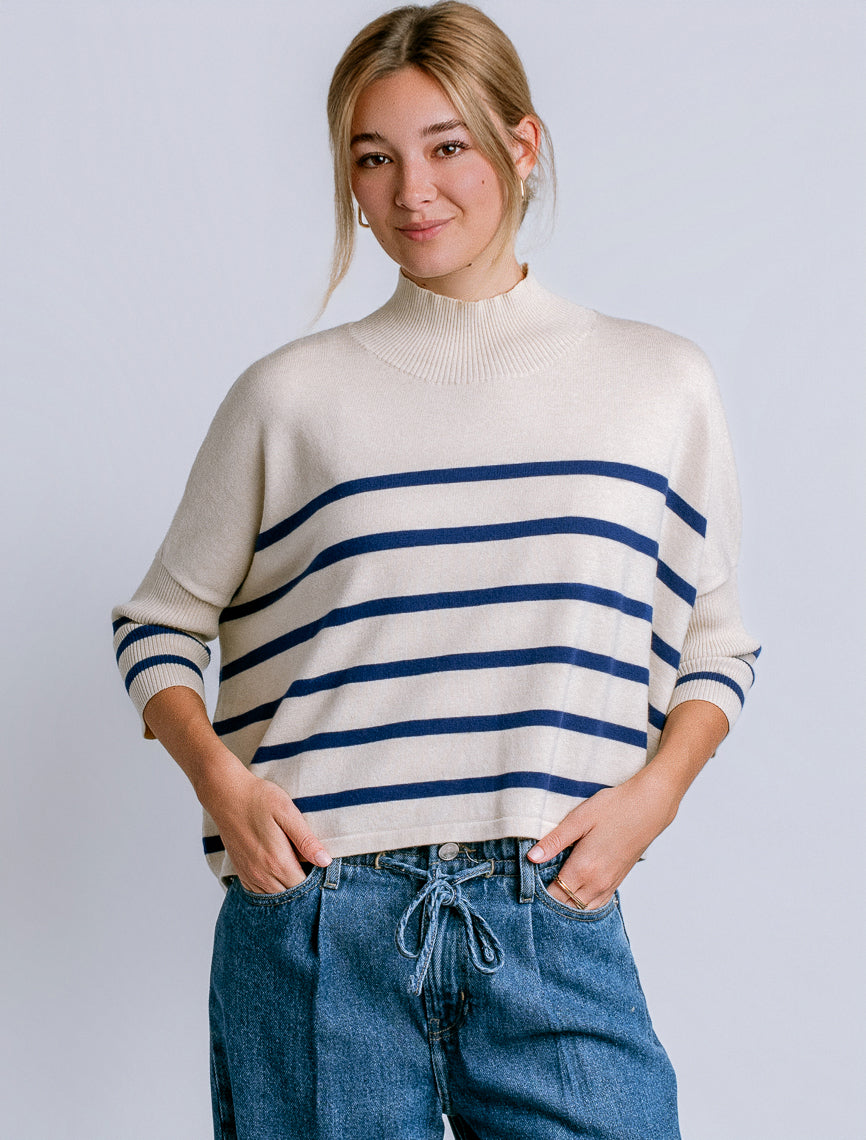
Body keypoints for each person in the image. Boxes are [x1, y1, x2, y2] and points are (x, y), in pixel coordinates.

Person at [111, 3, 760, 1137]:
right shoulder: (289, 397)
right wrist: (223, 787)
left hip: (548, 906)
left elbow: (715, 642)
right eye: (374, 159)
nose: (411, 191)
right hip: (322, 919)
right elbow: (158, 626)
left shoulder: (658, 383)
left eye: (446, 145)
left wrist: (652, 798)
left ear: (522, 144)